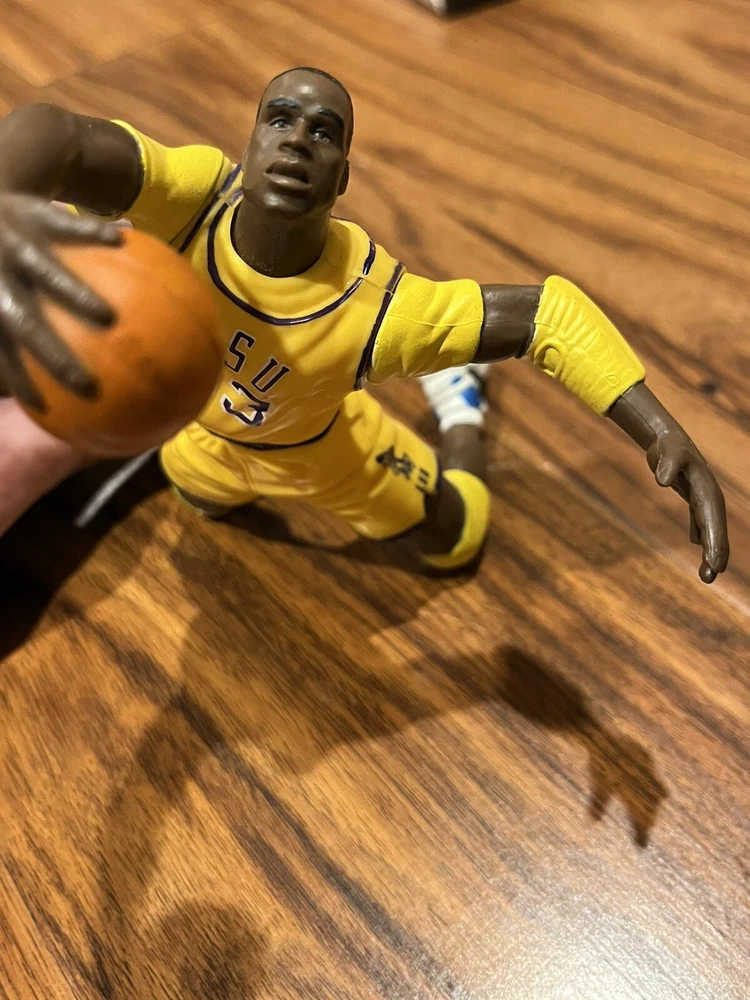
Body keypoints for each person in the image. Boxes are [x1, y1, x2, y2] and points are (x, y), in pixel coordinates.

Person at [0, 68, 729, 580]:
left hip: (324, 453)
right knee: (202, 504)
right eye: (279, 119)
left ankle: (462, 411)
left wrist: (659, 428)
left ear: (343, 177)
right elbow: (58, 135)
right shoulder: (190, 197)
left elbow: (544, 316)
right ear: (248, 146)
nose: (296, 140)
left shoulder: (382, 309)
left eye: (323, 132)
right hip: (203, 440)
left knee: (457, 540)